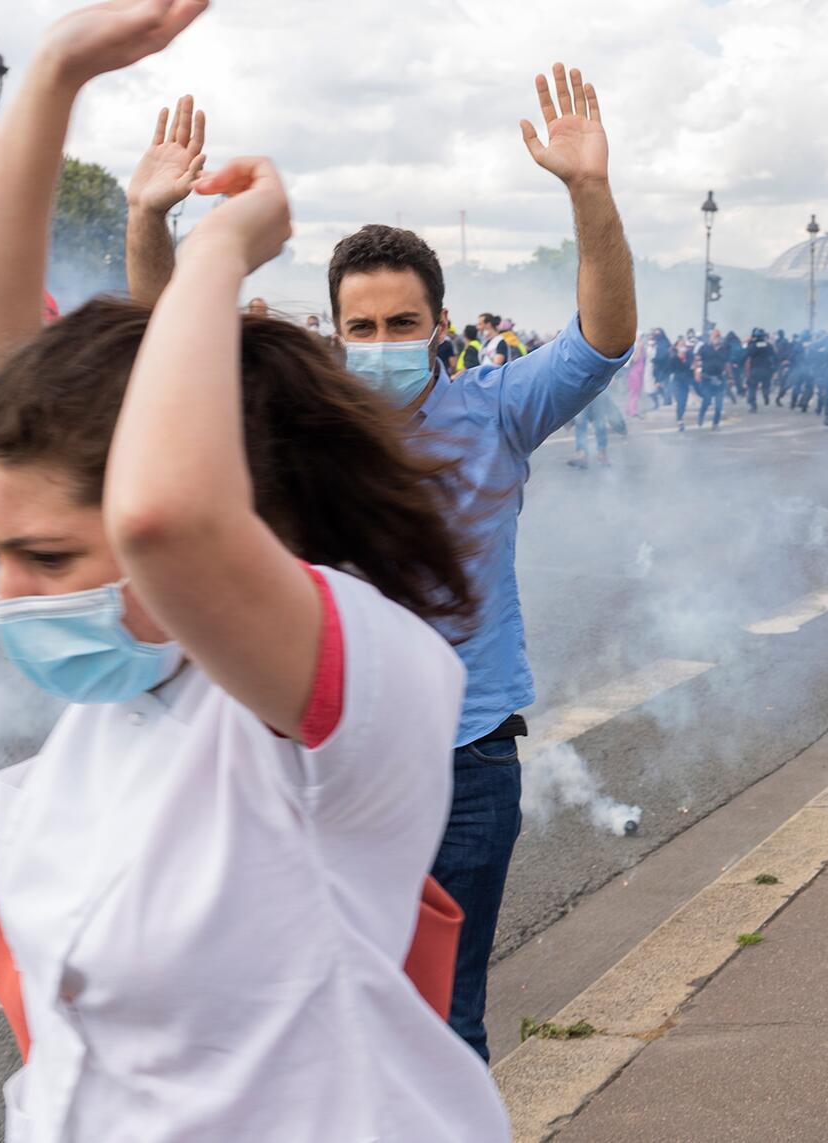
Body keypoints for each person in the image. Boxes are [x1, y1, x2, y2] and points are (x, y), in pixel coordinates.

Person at [0, 4, 511, 1137]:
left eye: (49, 556)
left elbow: (165, 515)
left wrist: (220, 253)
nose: (11, 598)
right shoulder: (131, 686)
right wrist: (55, 72)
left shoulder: (354, 670)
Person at [122, 51, 634, 1066]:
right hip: (318, 754)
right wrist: (147, 221)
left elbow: (602, 340)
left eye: (404, 323)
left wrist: (589, 192)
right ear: (335, 329)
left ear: (439, 324)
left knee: (443, 1023)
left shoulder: (498, 408)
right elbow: (167, 343)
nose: (384, 340)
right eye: (363, 326)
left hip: (464, 761)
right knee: (310, 1015)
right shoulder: (295, 416)